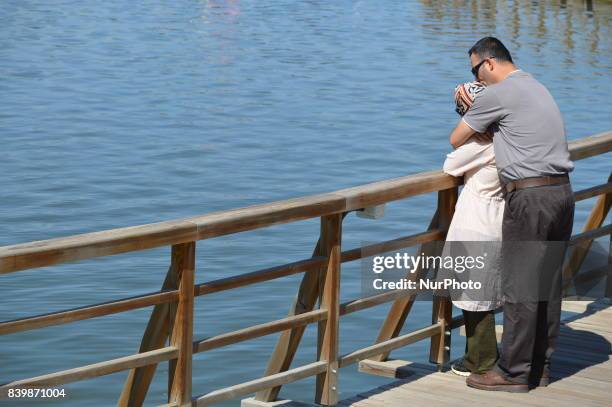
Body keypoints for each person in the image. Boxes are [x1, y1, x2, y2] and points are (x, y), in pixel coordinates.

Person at [449, 37, 575, 393]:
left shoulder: (497, 93)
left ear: (488, 64)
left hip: (530, 196)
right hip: (561, 192)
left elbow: (456, 138)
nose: (476, 77)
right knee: (546, 285)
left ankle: (514, 372)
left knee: (520, 286)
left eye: (475, 70)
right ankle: (540, 366)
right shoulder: (534, 84)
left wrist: (477, 113)